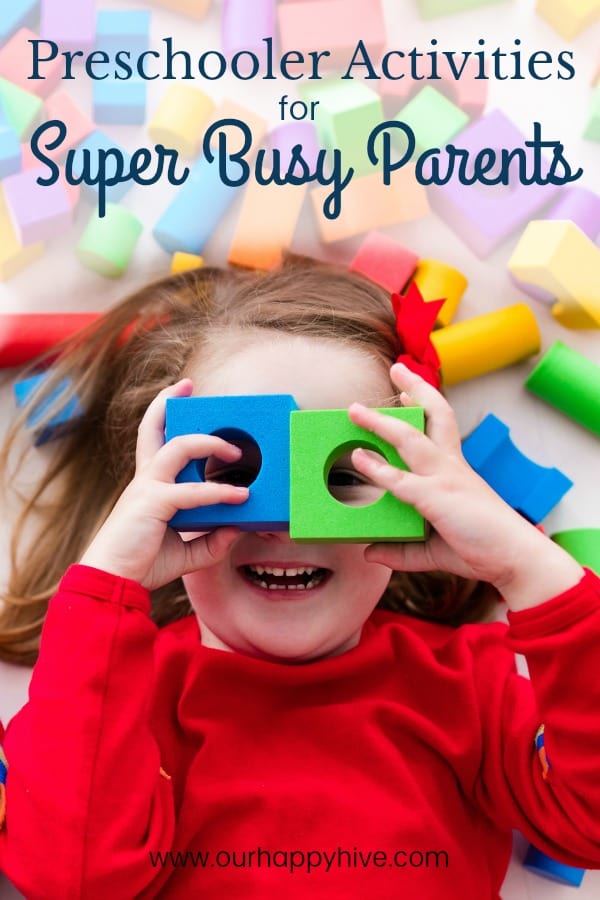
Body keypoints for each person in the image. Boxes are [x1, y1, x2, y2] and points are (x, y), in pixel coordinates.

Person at [0, 258, 598, 900]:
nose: (287, 527)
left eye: (340, 474)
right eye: (235, 476)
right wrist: (106, 588)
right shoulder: (114, 698)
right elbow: (72, 880)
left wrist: (527, 568)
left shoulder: (469, 688)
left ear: (416, 500)